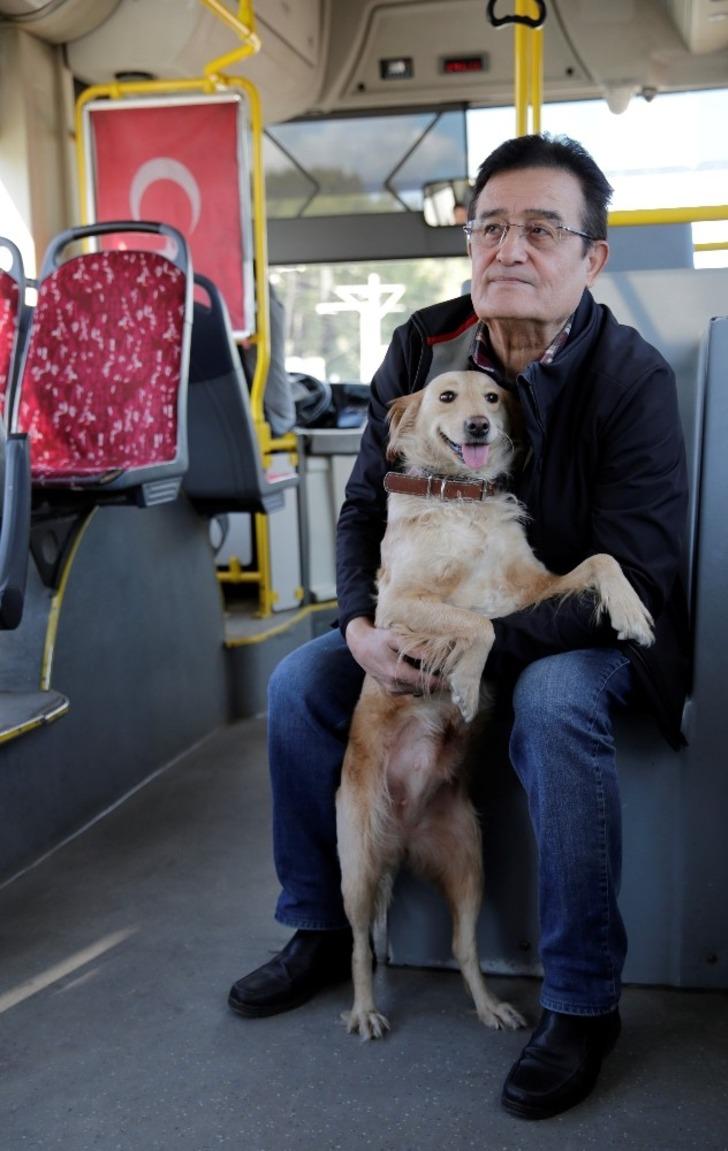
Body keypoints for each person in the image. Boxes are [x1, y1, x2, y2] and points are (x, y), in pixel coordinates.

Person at [228, 134, 689, 1120]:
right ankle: (317, 923)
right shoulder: (421, 343)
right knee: (299, 682)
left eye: (537, 229)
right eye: (488, 226)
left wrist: (475, 645)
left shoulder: (630, 378)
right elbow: (361, 509)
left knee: (556, 702)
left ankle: (577, 998)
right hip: (431, 613)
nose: (506, 249)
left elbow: (636, 570)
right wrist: (358, 625)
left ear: (590, 257)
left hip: (573, 629)